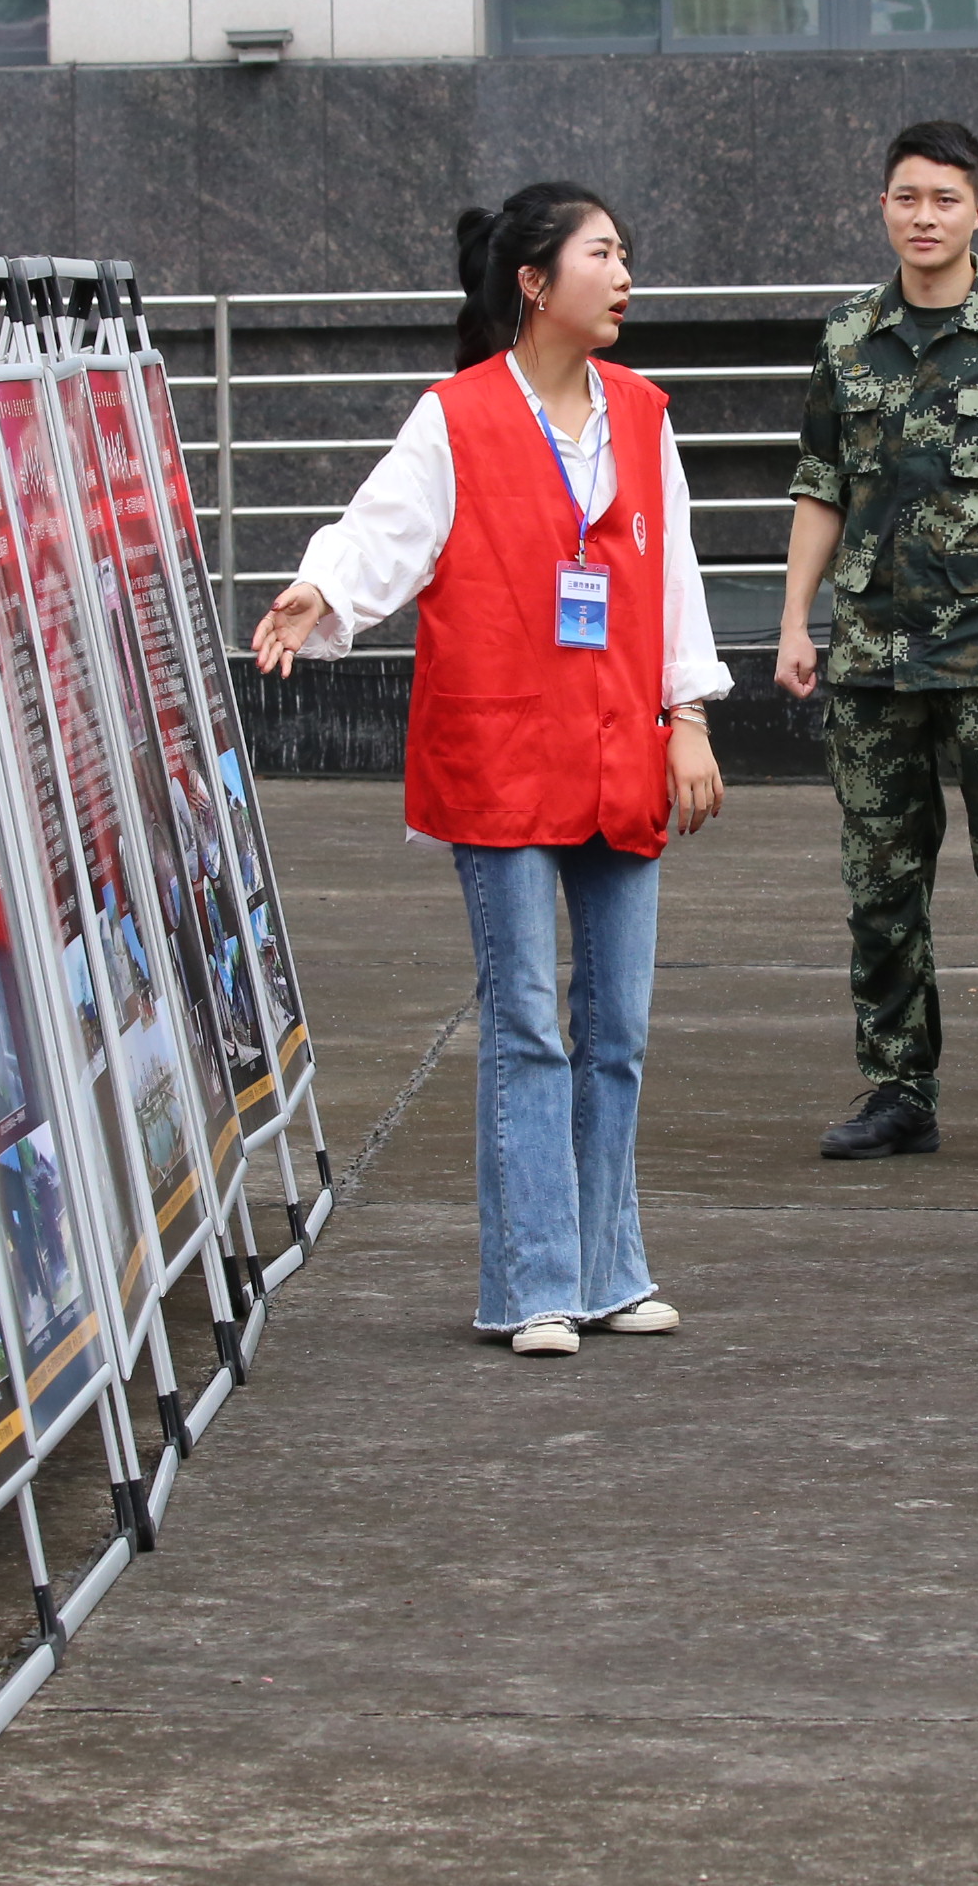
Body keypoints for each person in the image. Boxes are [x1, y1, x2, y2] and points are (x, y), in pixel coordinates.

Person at [249, 184, 728, 1357]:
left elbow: (674, 577)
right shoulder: (456, 416)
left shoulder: (642, 412)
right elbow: (381, 531)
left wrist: (693, 714)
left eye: (626, 253)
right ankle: (531, 1283)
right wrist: (322, 589)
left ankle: (610, 1266)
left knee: (615, 1024)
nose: (625, 276)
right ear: (533, 279)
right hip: (504, 750)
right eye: (603, 254)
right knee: (526, 1022)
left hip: (621, 742)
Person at [779, 121, 978, 1170]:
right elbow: (821, 485)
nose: (925, 216)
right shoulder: (846, 340)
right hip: (874, 657)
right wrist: (794, 621)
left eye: (945, 199)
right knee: (879, 886)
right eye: (907, 197)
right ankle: (897, 1085)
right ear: (883, 206)